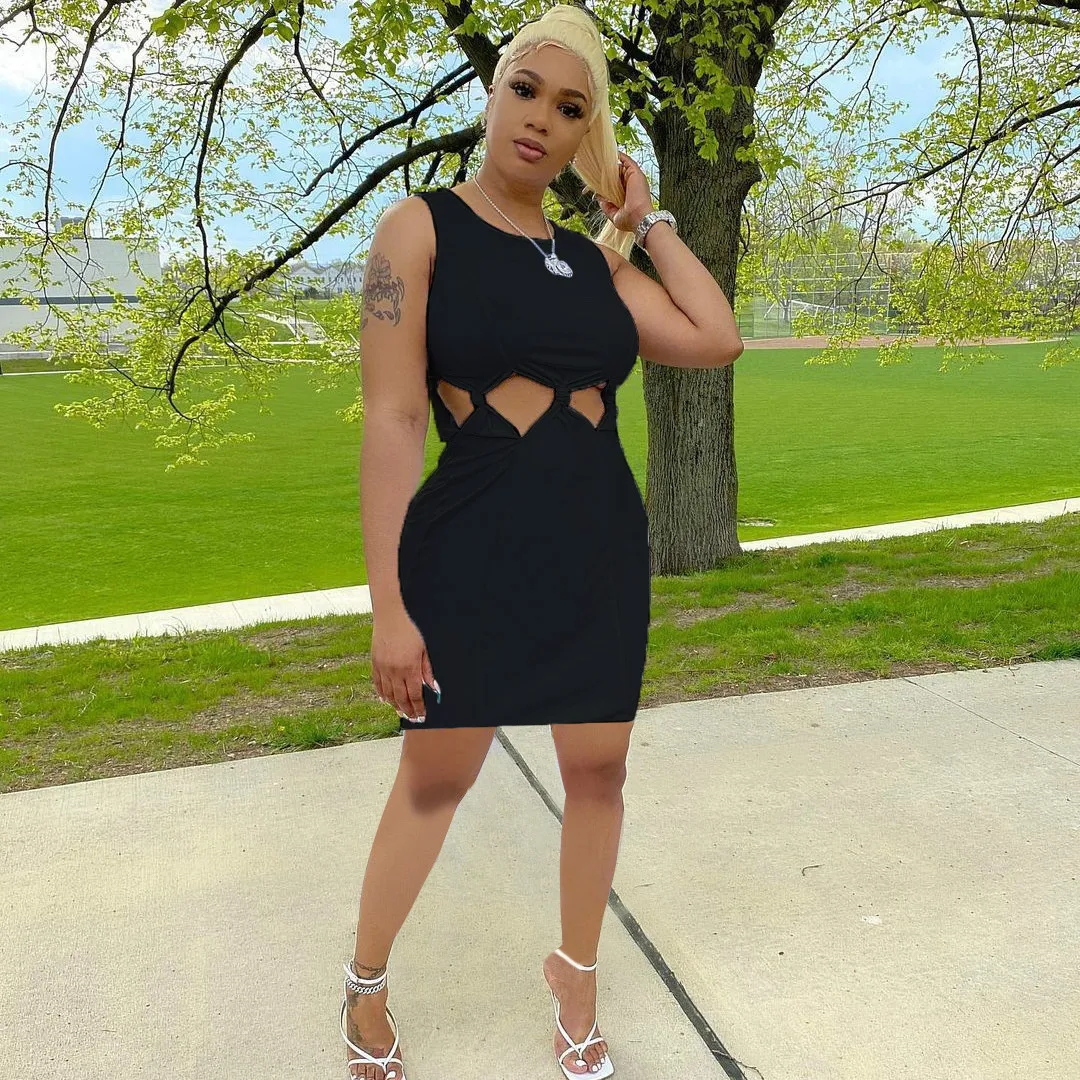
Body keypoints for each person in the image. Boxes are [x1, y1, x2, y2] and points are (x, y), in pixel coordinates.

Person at [342, 5, 742, 1078]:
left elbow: (715, 337)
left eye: (571, 109)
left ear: (584, 137)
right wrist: (389, 606)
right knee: (437, 778)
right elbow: (393, 420)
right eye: (525, 90)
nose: (540, 120)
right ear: (493, 93)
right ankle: (366, 982)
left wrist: (647, 222)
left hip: (596, 547)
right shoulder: (418, 229)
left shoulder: (593, 262)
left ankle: (577, 976)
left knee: (600, 771)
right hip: (468, 551)